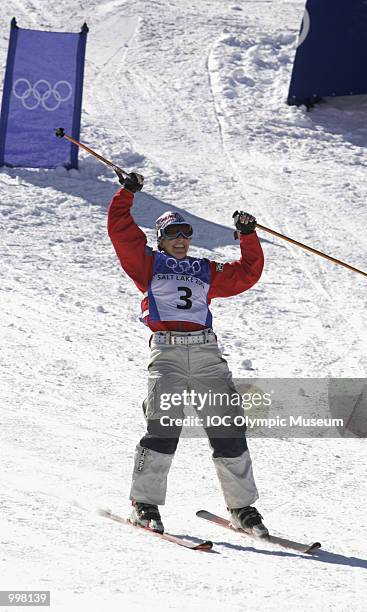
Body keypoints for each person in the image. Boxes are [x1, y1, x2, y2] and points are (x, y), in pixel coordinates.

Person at [108, 170, 267, 536]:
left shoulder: (205, 269)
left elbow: (247, 273)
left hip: (206, 353)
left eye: (186, 234)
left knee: (228, 430)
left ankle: (242, 508)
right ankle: (144, 503)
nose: (180, 241)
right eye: (172, 235)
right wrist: (126, 193)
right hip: (167, 355)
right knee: (162, 428)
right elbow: (120, 231)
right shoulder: (147, 264)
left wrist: (247, 235)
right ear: (160, 240)